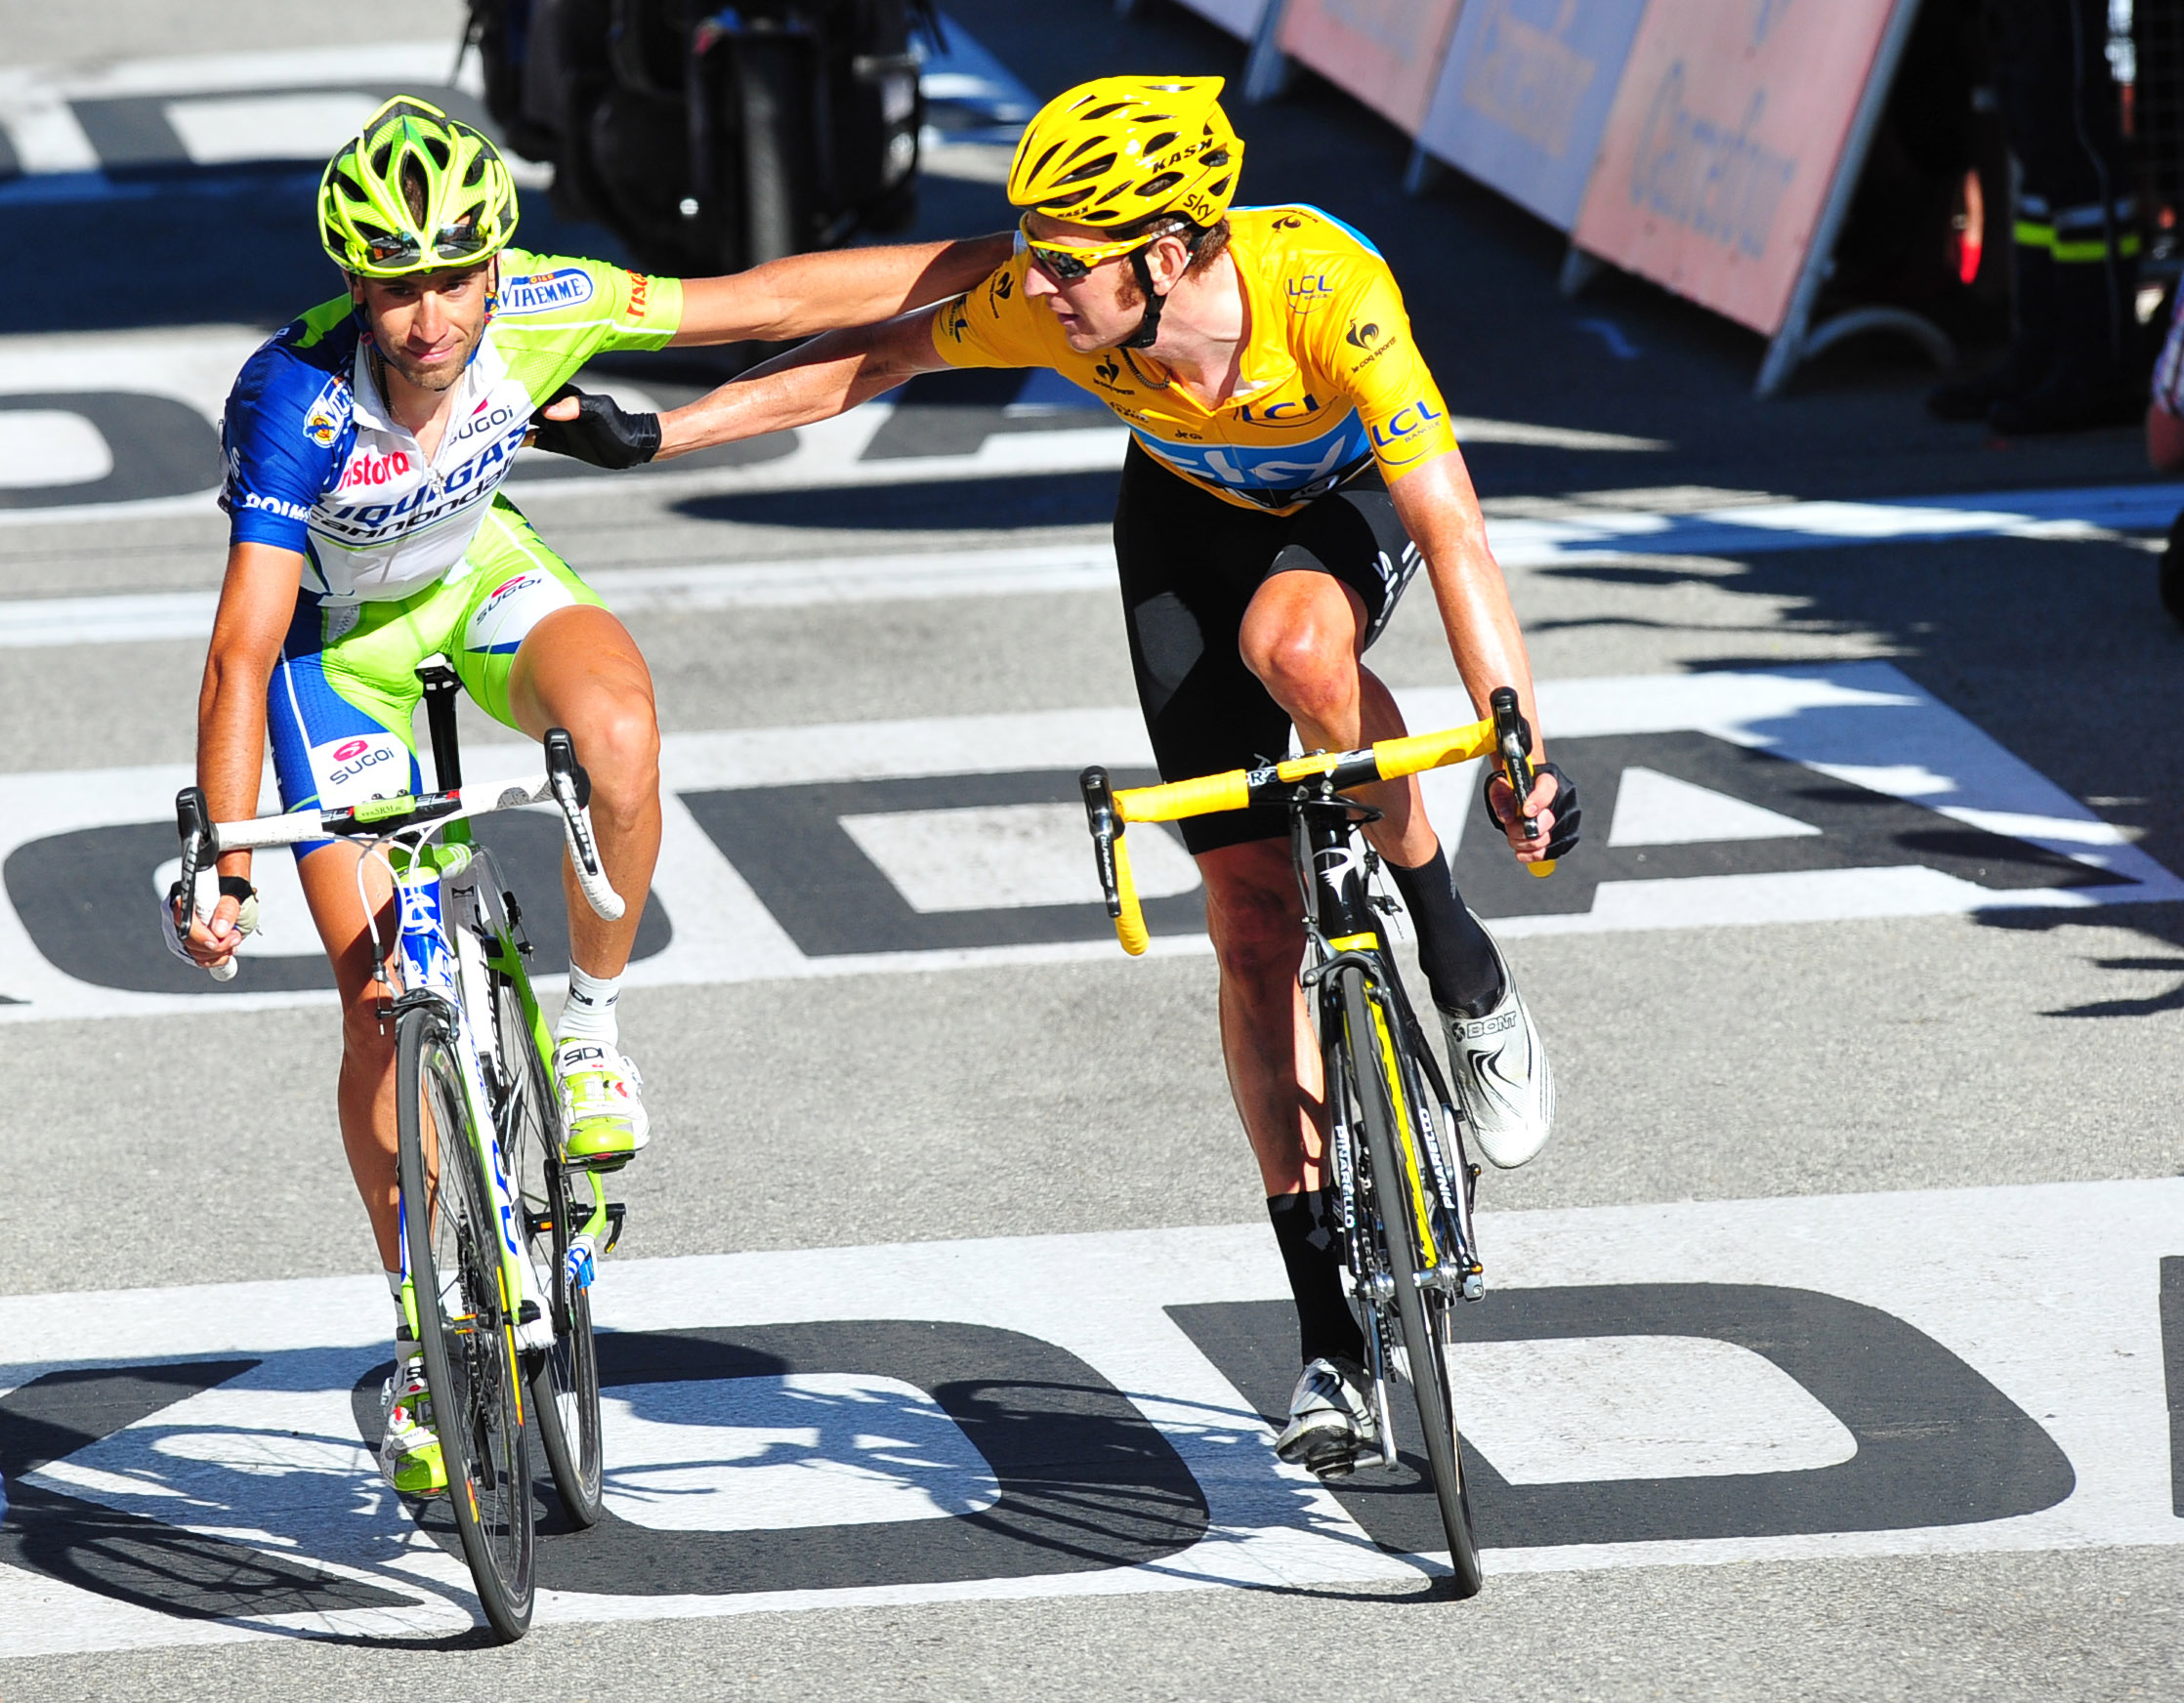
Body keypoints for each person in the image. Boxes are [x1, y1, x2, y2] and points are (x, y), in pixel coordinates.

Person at [545, 76, 1578, 1475]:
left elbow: (1450, 526)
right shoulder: (1057, 298)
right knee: (1251, 922)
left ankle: (1459, 958)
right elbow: (868, 341)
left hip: (1331, 513)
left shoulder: (1329, 291)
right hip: (1180, 524)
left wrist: (1514, 733)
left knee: (1301, 649)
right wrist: (666, 432)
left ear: (1163, 257)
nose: (1032, 279)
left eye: (1061, 257)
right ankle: (1328, 1336)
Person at [171, 96, 1009, 1495]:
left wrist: (1022, 248)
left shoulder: (550, 304)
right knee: (381, 1004)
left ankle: (594, 1027)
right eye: (394, 284)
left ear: (496, 268)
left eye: (451, 278)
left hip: (475, 581)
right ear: (355, 283)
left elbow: (767, 301)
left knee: (617, 732)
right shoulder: (293, 400)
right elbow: (242, 645)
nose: (427, 317)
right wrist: (227, 864)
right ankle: (422, 1326)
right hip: (335, 660)